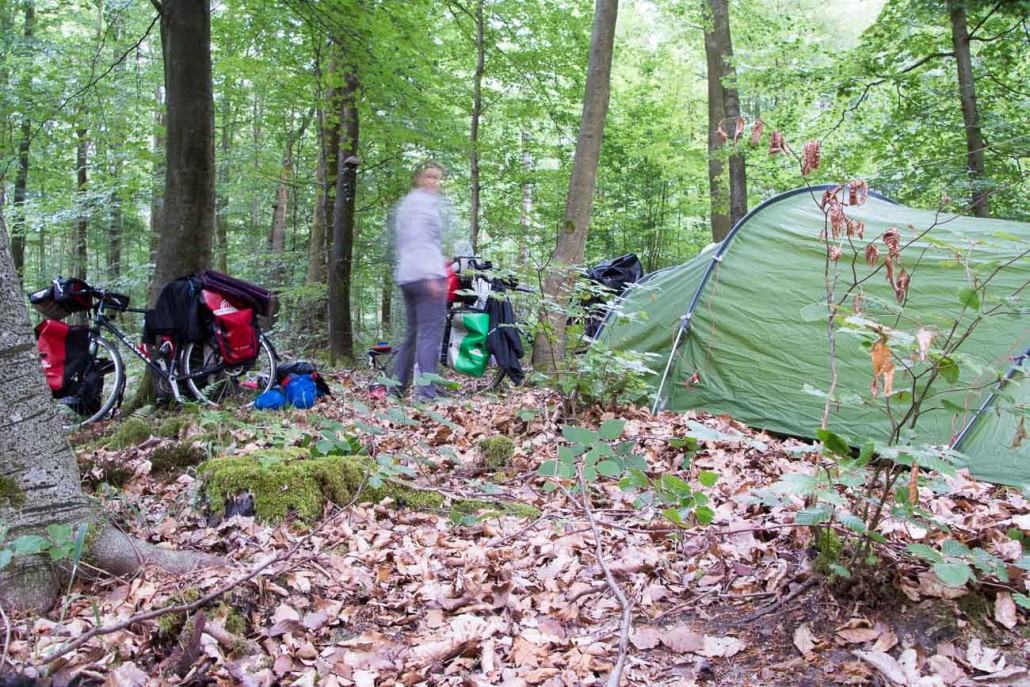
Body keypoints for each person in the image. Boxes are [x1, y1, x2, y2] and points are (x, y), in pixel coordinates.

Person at [391, 162, 449, 400]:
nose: (433, 182)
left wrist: (439, 258)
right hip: (424, 276)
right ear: (417, 178)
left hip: (408, 275)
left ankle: (396, 388)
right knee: (430, 335)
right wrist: (430, 276)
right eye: (429, 176)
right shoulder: (422, 205)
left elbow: (415, 241)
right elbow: (417, 241)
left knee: (412, 334)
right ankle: (426, 392)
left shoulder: (408, 204)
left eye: (437, 177)